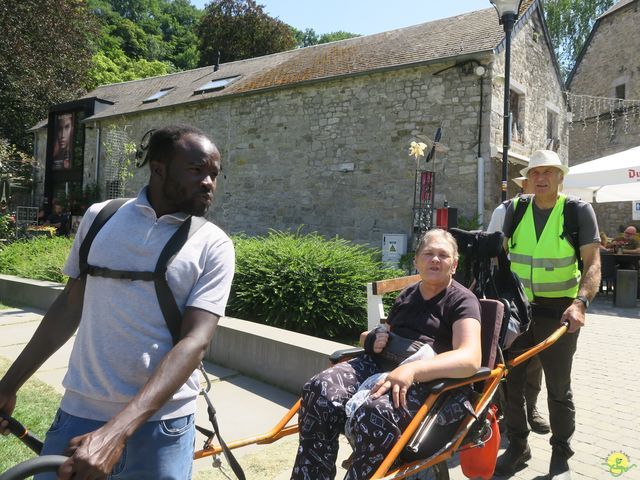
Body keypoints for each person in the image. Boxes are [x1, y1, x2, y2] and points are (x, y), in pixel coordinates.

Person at [0, 124, 235, 480]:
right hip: (79, 411)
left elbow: (195, 342)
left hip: (162, 426)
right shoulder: (101, 218)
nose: (208, 182)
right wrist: (7, 386)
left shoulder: (213, 245)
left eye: (214, 174)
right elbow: (68, 307)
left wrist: (116, 432)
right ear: (158, 168)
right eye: (196, 170)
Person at [291, 229, 482, 480]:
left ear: (454, 264)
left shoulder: (462, 301)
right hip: (382, 364)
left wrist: (411, 370)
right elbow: (383, 334)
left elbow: (470, 358)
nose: (435, 260)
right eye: (428, 254)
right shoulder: (409, 294)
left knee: (375, 413)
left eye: (443, 255)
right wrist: (370, 339)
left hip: (429, 381)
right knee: (319, 390)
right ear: (416, 261)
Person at [495, 150, 601, 480]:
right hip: (517, 311)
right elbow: (495, 257)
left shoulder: (577, 211)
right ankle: (517, 447)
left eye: (549, 172)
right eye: (535, 172)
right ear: (527, 179)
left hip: (559, 313)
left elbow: (593, 263)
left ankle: (561, 454)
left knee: (558, 387)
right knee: (512, 383)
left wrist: (580, 302)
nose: (541, 178)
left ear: (560, 178)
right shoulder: (514, 210)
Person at [487, 176, 550, 436]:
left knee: (535, 361)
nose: (534, 184)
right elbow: (490, 251)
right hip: (512, 301)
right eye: (528, 181)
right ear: (523, 186)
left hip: (546, 301)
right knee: (508, 359)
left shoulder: (554, 212)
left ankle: (531, 408)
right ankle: (504, 410)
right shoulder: (506, 211)